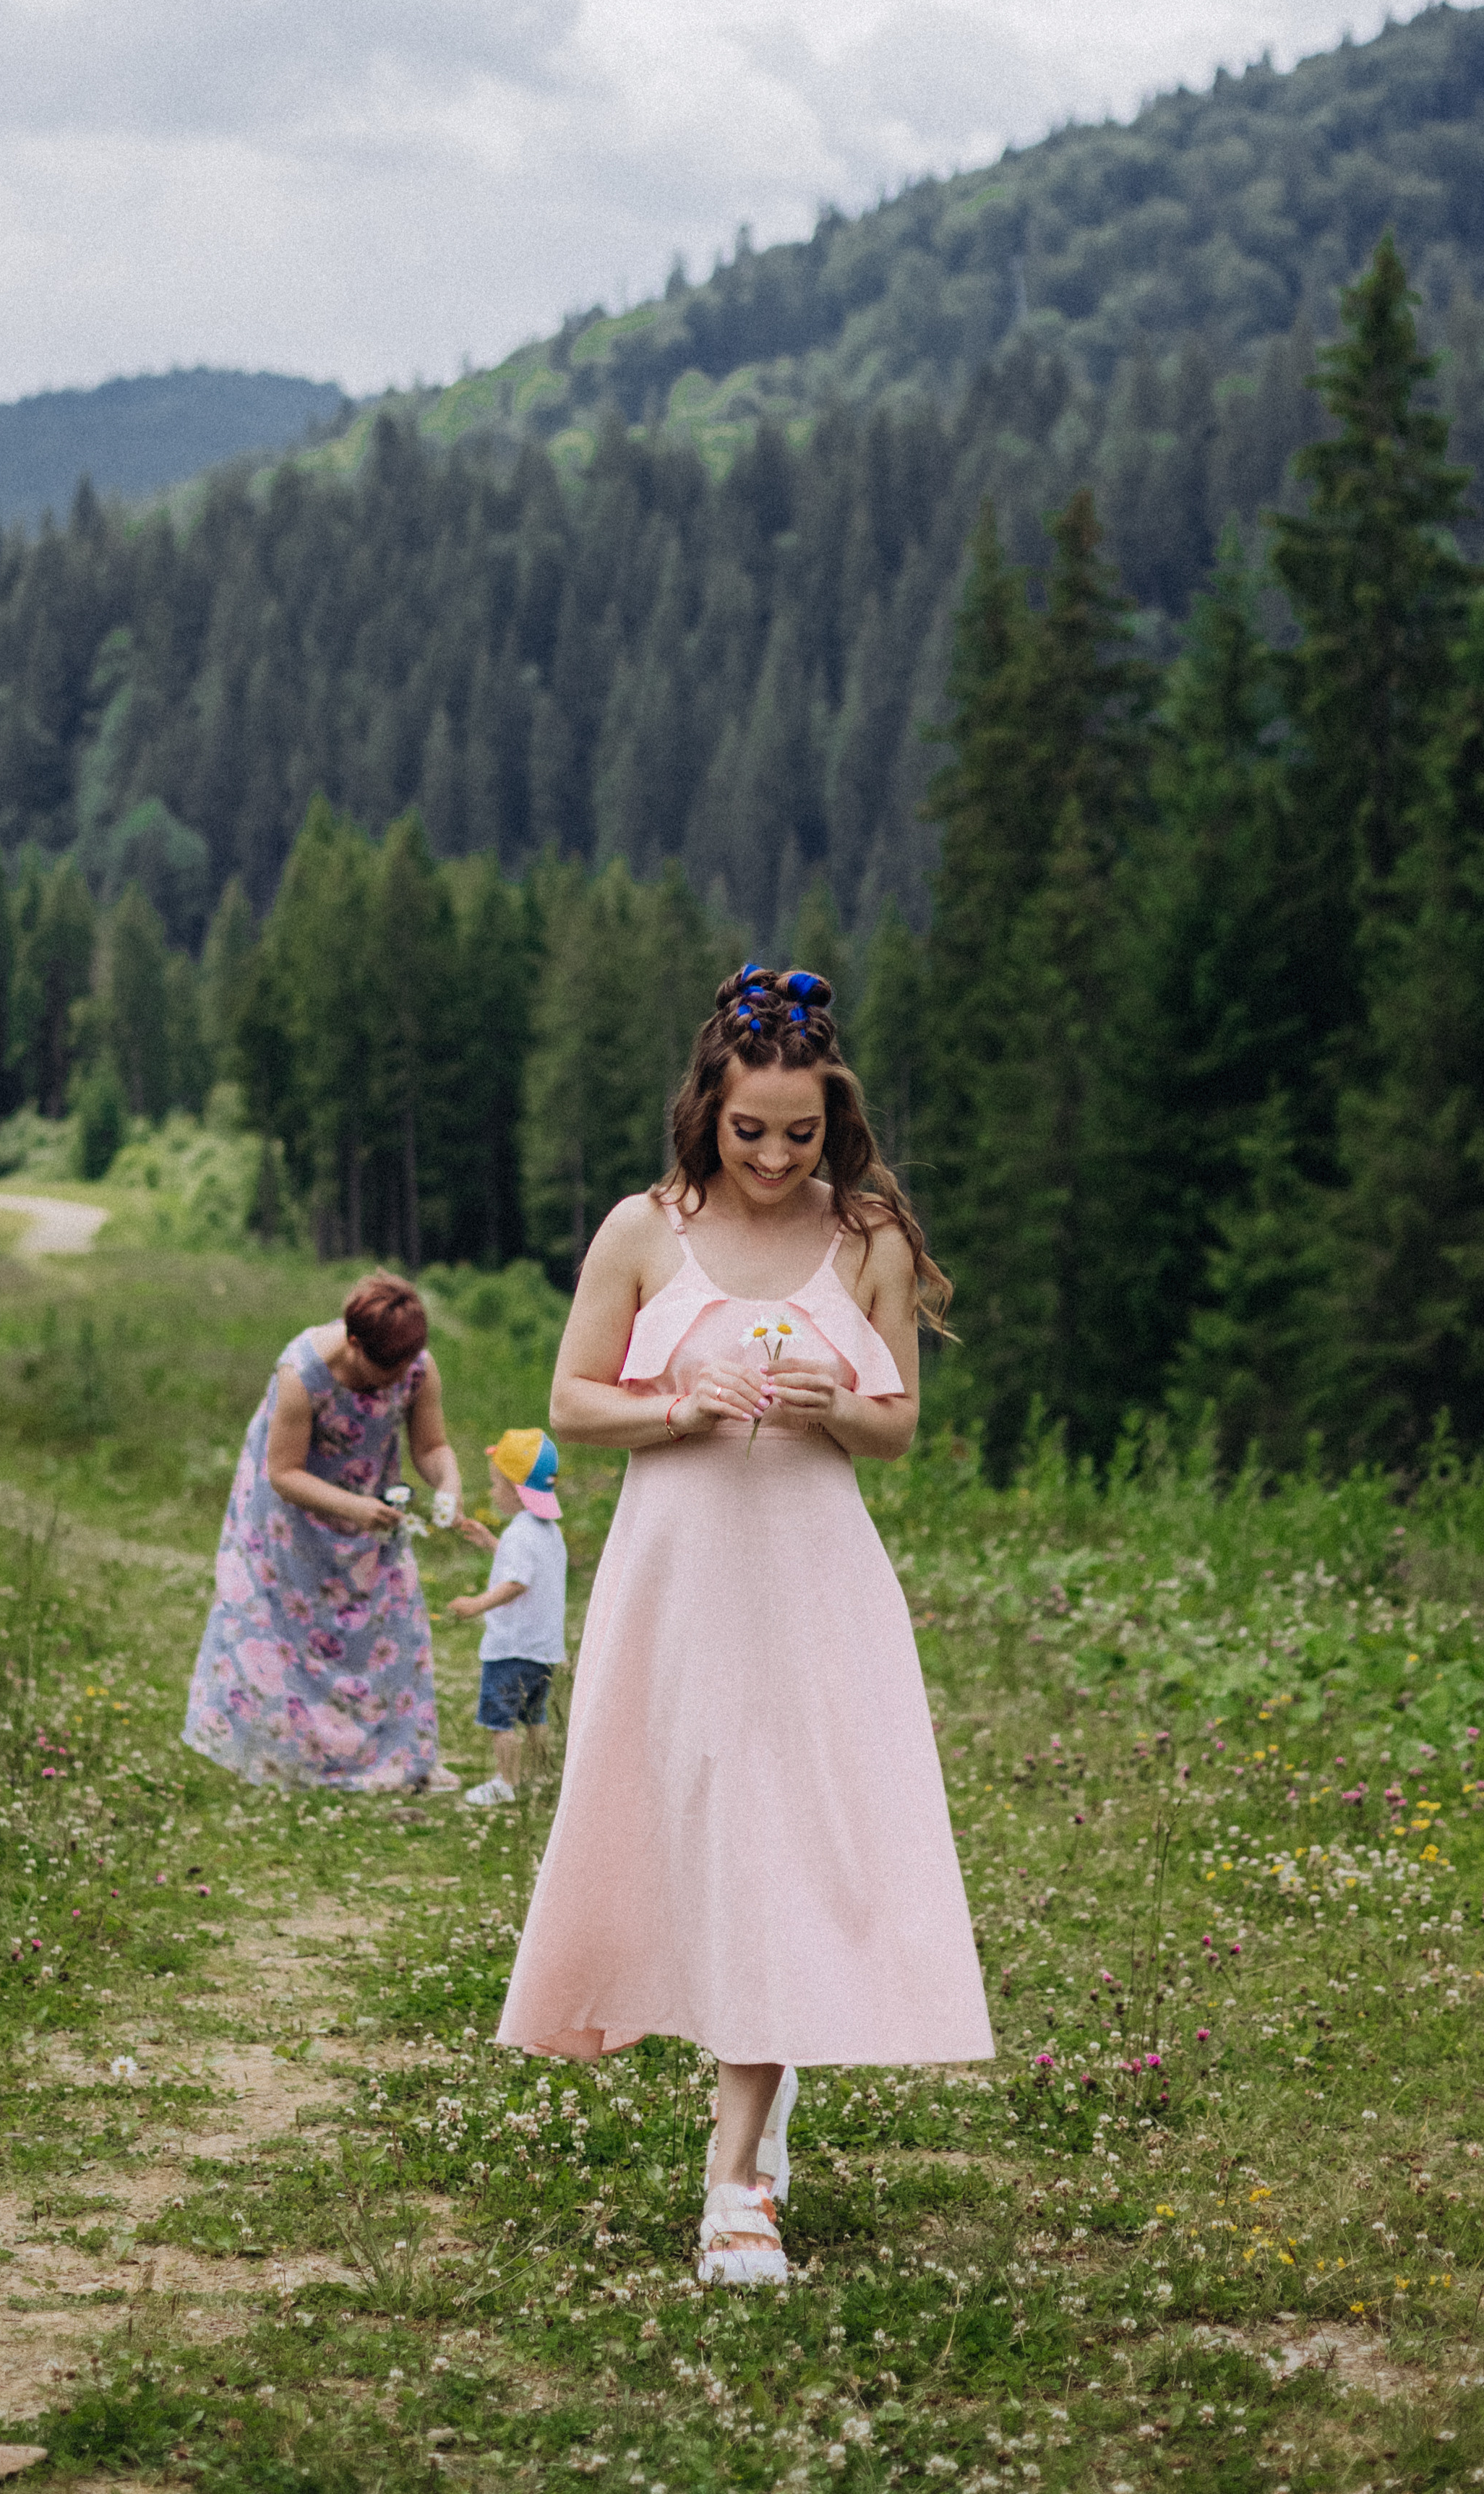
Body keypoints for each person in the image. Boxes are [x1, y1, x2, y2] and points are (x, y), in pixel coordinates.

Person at [497, 963, 992, 2287]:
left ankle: (735, 2191)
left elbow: (894, 1434)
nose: (774, 1159)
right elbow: (570, 1404)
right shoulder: (642, 1232)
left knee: (780, 1847)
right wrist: (679, 1399)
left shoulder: (867, 1239)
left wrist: (832, 1395)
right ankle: (744, 2134)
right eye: (747, 1132)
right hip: (679, 1581)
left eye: (801, 1135)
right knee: (687, 1839)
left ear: (835, 1123)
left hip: (812, 1584)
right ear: (703, 1113)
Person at [183, 1269, 463, 1794]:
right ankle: (296, 1760)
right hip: (291, 1519)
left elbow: (429, 1445)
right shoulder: (302, 1373)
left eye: (405, 1365)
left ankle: (401, 1759)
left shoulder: (415, 1368)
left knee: (394, 1625)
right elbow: (283, 1471)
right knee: (289, 1635)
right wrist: (353, 1507)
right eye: (385, 1367)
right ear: (354, 1341)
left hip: (369, 1515)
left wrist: (448, 1481)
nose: (396, 1378)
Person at [449, 1428, 569, 1808]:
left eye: (496, 1484)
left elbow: (517, 1581)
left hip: (511, 1648)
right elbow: (530, 1568)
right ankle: (541, 1773)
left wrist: (476, 1604)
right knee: (535, 1717)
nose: (492, 1492)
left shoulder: (521, 1534)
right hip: (542, 1649)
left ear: (516, 1489)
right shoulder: (546, 1531)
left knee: (500, 1720)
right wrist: (490, 1543)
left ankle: (507, 1782)